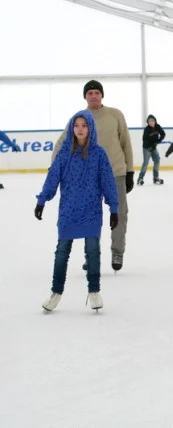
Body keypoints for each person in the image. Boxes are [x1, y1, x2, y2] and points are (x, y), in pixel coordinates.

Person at [36, 111, 119, 312]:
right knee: (62, 252)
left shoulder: (99, 154)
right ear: (72, 129)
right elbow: (52, 178)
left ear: (90, 128)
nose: (80, 129)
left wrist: (114, 208)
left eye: (84, 125)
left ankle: (94, 291)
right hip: (69, 210)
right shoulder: (64, 153)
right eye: (76, 125)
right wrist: (42, 200)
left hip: (91, 209)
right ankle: (56, 293)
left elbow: (108, 182)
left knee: (92, 251)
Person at [52, 80, 134, 272]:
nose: (94, 95)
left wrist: (129, 171)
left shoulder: (115, 115)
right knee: (90, 216)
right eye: (90, 93)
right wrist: (54, 167)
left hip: (115, 172)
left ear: (102, 95)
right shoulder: (79, 118)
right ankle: (92, 255)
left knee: (120, 213)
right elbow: (62, 143)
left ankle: (117, 252)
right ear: (85, 97)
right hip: (88, 176)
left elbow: (126, 144)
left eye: (97, 92)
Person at [138, 114, 165, 185]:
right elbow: (144, 139)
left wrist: (158, 141)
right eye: (149, 121)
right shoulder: (146, 129)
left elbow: (163, 134)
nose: (151, 122)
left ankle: (155, 178)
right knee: (146, 162)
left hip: (154, 147)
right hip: (147, 147)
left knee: (157, 160)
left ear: (155, 121)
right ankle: (140, 178)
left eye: (152, 121)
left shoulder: (157, 127)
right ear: (147, 122)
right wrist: (150, 146)